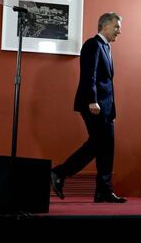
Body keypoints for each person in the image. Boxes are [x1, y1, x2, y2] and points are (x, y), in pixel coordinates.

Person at [50, 12, 127, 203]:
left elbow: (108, 83)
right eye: (116, 27)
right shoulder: (92, 45)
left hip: (106, 109)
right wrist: (93, 100)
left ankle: (103, 191)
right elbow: (89, 75)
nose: (119, 31)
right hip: (93, 104)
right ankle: (59, 173)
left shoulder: (107, 47)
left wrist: (112, 112)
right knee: (99, 144)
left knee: (106, 148)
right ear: (104, 26)